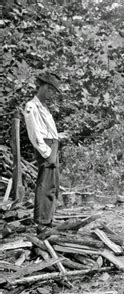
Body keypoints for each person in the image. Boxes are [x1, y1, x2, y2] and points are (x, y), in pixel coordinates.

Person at [23, 72, 67, 232]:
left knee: (53, 183)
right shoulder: (31, 106)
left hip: (52, 144)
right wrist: (46, 152)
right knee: (45, 183)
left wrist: (58, 137)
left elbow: (46, 129)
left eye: (53, 91)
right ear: (42, 87)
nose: (51, 94)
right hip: (46, 148)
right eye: (50, 89)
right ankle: (41, 221)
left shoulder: (44, 107)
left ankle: (48, 219)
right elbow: (34, 133)